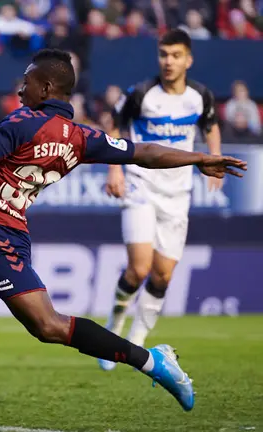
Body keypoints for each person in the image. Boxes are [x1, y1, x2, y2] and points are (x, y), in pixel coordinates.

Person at [0, 49, 246, 418]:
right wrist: (199, 157)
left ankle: (152, 361)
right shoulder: (82, 137)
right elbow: (143, 152)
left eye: (27, 82)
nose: (19, 90)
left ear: (47, 87)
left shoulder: (24, 122)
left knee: (49, 327)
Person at [99, 29, 223, 371]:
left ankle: (136, 342)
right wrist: (115, 171)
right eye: (164, 54)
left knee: (163, 276)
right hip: (140, 184)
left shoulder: (200, 97)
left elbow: (210, 125)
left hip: (178, 193)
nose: (168, 61)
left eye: (176, 55)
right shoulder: (141, 94)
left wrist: (214, 157)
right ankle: (114, 332)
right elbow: (114, 125)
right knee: (139, 268)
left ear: (188, 59)